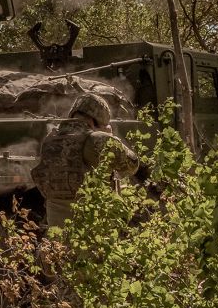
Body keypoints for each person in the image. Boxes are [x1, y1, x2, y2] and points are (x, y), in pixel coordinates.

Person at [31, 93, 139, 226]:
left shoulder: (50, 139)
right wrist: (108, 136)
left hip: (57, 228)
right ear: (96, 121)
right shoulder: (96, 139)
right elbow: (132, 164)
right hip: (90, 228)